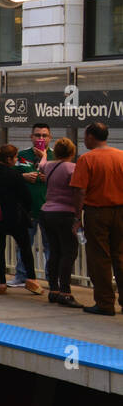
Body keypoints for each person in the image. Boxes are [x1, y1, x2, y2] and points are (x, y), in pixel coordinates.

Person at [69, 122, 123, 315]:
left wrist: (77, 218)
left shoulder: (87, 159)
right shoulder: (121, 156)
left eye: (85, 136)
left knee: (99, 258)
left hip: (97, 213)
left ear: (91, 137)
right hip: (121, 212)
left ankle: (105, 303)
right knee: (120, 256)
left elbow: (80, 191)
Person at [0, 144, 42, 294]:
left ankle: (1, 283)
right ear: (9, 159)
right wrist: (26, 211)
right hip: (14, 217)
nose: (16, 160)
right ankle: (32, 279)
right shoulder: (14, 175)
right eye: (15, 157)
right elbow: (26, 198)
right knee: (25, 247)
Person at [40, 138, 82, 308]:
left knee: (54, 250)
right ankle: (65, 292)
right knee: (69, 252)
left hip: (46, 213)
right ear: (72, 153)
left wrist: (43, 154)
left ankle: (54, 290)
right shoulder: (72, 168)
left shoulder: (49, 165)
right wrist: (79, 217)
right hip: (65, 214)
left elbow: (41, 163)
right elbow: (79, 190)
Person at [12, 123, 52, 288]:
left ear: (50, 138)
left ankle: (52, 278)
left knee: (50, 245)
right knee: (24, 243)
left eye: (44, 136)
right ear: (31, 137)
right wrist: (24, 176)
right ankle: (22, 276)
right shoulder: (22, 155)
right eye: (37, 135)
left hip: (49, 208)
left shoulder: (55, 156)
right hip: (27, 209)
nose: (40, 139)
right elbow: (14, 176)